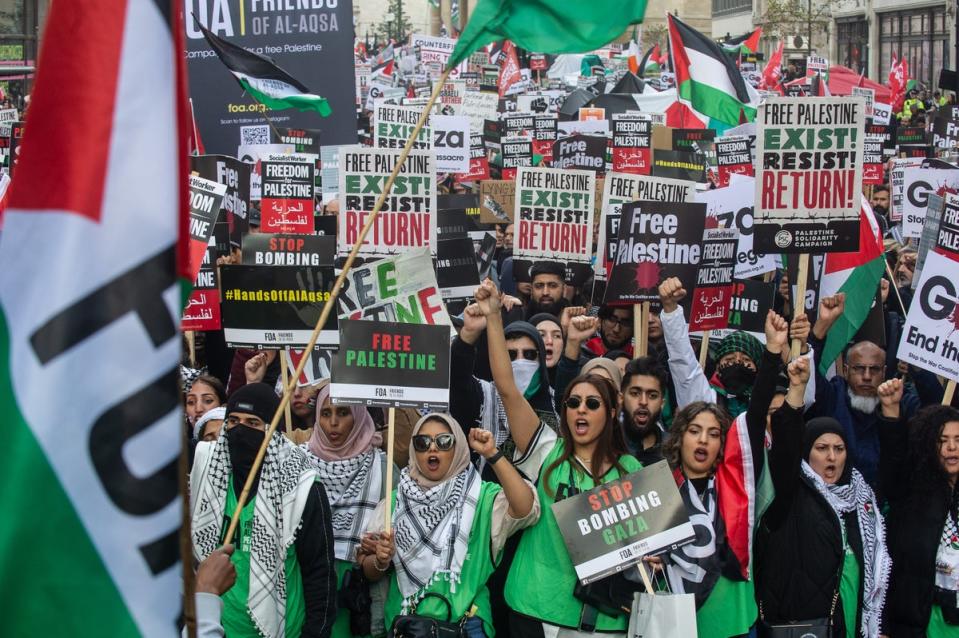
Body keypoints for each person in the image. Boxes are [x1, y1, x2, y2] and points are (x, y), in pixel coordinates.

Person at [473, 279, 642, 636]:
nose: (581, 410)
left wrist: (650, 555)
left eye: (592, 404)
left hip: (603, 621)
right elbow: (507, 389)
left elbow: (645, 544)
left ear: (612, 413)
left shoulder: (632, 471)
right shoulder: (547, 451)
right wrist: (491, 317)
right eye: (572, 403)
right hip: (535, 609)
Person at [657, 310, 789, 638]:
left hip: (730, 618)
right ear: (679, 436)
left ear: (723, 443)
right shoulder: (658, 488)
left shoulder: (736, 484)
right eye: (695, 431)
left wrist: (772, 351)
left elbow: (757, 413)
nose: (703, 439)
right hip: (675, 621)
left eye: (714, 434)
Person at [361, 413, 539, 637]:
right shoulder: (394, 503)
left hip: (466, 627)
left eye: (444, 441)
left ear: (458, 448)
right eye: (422, 442)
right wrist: (379, 560)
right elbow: (369, 571)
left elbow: (525, 507)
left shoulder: (481, 498)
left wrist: (492, 454)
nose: (432, 449)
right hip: (407, 626)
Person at [190, 383, 336, 638]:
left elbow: (319, 574)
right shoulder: (209, 476)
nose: (240, 430)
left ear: (272, 432)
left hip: (283, 630)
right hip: (219, 629)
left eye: (253, 423)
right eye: (233, 421)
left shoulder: (301, 489)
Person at [756, 372, 891, 637]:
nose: (832, 457)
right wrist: (796, 390)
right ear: (806, 452)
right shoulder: (790, 492)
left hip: (851, 619)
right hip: (804, 625)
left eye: (839, 449)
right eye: (822, 448)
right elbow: (784, 447)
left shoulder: (860, 498)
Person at [659, 277, 815, 416]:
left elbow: (801, 394)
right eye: (730, 358)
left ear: (758, 367)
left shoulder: (772, 405)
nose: (738, 363)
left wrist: (800, 348)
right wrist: (671, 309)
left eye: (746, 359)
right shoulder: (707, 402)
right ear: (718, 366)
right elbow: (684, 366)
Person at [808, 293, 919, 489]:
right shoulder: (833, 397)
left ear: (884, 372)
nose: (867, 376)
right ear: (845, 370)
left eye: (874, 369)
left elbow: (936, 406)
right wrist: (821, 328)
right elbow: (806, 377)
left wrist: (892, 413)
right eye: (859, 368)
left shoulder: (899, 401)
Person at [302, 385, 387, 638]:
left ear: (359, 416)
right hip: (309, 585)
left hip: (360, 590)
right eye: (325, 413)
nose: (333, 423)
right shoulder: (299, 463)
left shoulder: (382, 468)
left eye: (343, 412)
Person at [882, 384, 959, 635]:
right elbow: (893, 460)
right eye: (942, 440)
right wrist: (891, 409)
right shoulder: (913, 491)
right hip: (921, 620)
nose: (951, 448)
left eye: (958, 440)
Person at [621, 356, 669, 465]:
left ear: (662, 403)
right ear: (621, 398)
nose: (643, 401)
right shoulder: (605, 445)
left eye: (652, 395)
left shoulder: (674, 451)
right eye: (635, 393)